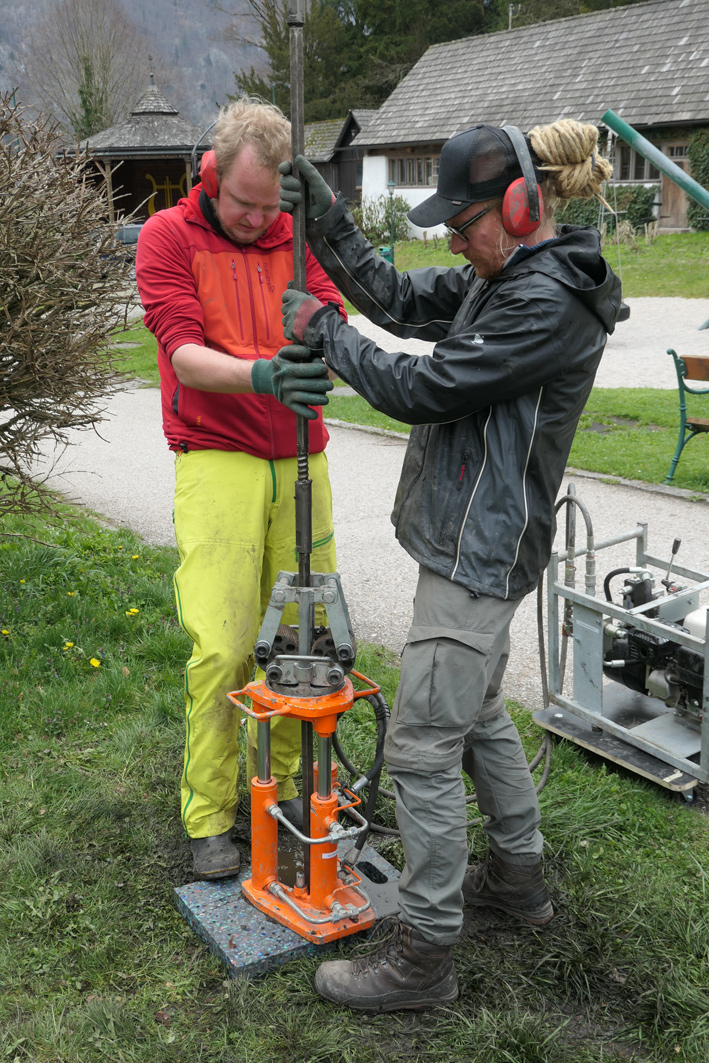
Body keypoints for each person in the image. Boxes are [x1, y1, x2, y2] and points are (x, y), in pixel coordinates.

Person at [278, 119, 622, 1011]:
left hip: (478, 552)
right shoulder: (499, 276)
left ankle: (421, 956)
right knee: (474, 720)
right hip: (478, 543)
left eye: (463, 222)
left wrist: (325, 333)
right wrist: (326, 223)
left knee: (423, 748)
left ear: (518, 206)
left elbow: (421, 387)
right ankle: (516, 880)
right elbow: (394, 296)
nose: (452, 239)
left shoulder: (541, 303)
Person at [135, 98, 341, 881]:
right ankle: (211, 813)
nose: (258, 220)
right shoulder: (167, 236)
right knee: (222, 647)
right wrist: (263, 373)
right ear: (213, 175)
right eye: (244, 204)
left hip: (300, 453)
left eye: (270, 205)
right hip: (215, 451)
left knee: (303, 641)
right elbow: (184, 355)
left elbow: (331, 311)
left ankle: (285, 792)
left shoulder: (295, 234)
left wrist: (322, 331)